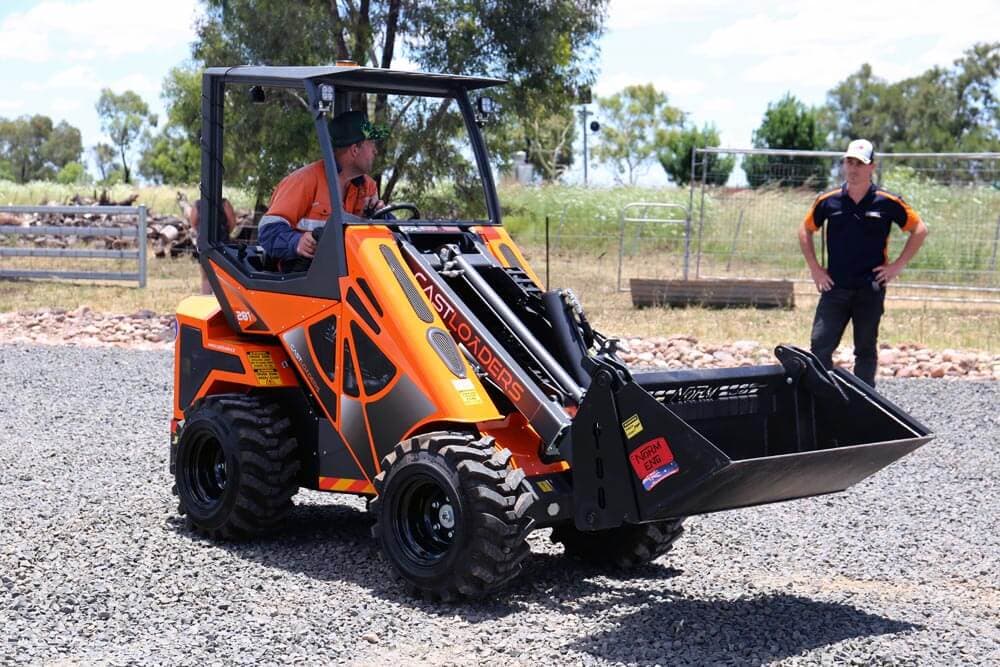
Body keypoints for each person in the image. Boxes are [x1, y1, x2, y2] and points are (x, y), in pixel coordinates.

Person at [798, 139, 929, 387]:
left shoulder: (887, 201)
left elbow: (919, 230)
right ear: (843, 165)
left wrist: (897, 266)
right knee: (820, 345)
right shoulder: (828, 200)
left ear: (872, 167)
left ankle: (864, 403)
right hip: (834, 287)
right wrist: (815, 269)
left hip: (870, 288)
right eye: (849, 162)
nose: (853, 168)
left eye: (860, 163)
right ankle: (823, 400)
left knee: (865, 349)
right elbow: (805, 230)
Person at [258, 110, 389, 266]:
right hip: (306, 277)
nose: (375, 151)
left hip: (349, 274)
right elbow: (267, 231)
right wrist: (297, 242)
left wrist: (382, 217)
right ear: (355, 149)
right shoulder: (304, 180)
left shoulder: (368, 187)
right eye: (372, 144)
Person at [188, 197, 237, 294]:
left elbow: (193, 224)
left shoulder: (198, 204)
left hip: (208, 243)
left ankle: (207, 298)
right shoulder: (224, 204)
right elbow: (232, 223)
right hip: (220, 243)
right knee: (219, 274)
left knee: (208, 275)